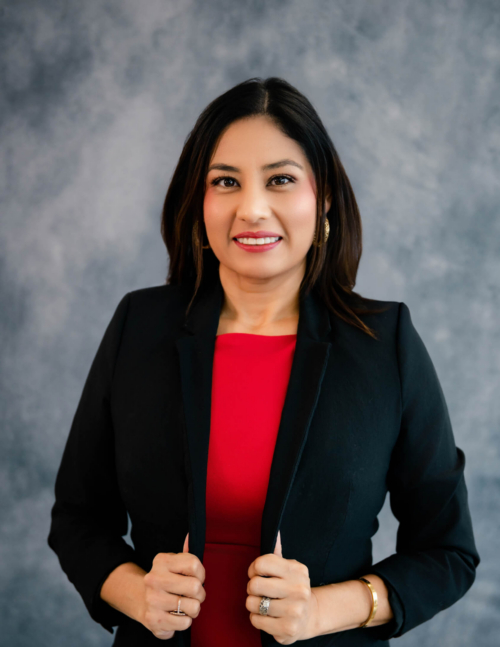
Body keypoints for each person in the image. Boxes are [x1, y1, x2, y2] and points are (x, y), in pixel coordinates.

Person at [47, 77, 480, 647]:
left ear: (323, 196)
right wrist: (135, 592)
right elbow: (77, 520)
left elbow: (448, 553)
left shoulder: (384, 343)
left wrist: (322, 610)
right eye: (225, 181)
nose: (251, 209)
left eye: (280, 179)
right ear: (198, 200)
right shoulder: (139, 326)